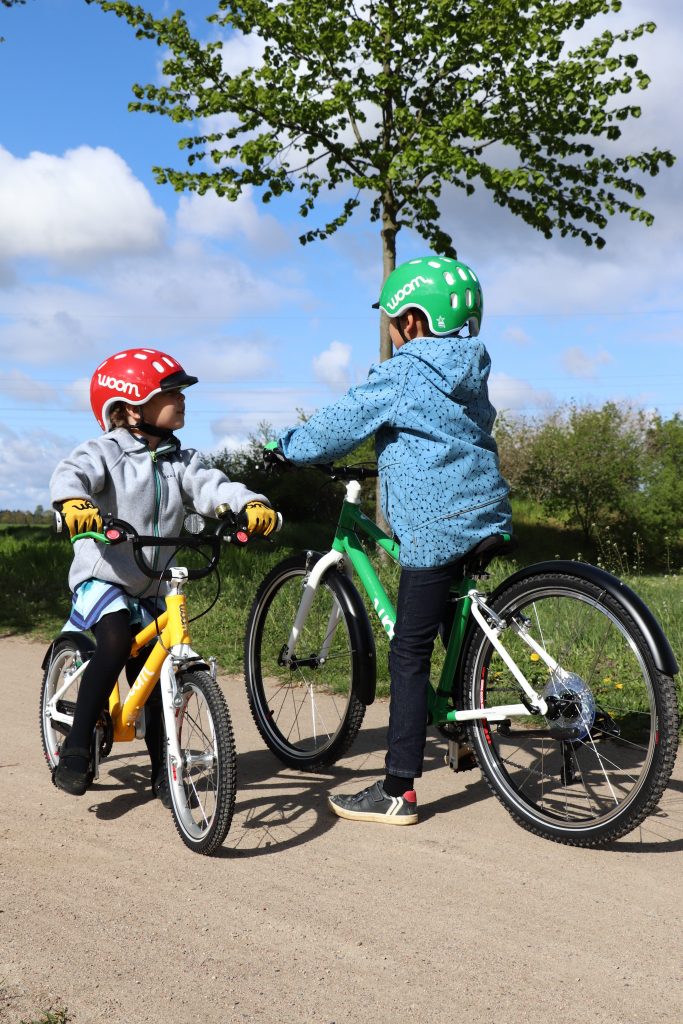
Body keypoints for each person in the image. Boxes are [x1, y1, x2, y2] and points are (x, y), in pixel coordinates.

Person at [273, 256, 512, 825]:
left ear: (411, 320)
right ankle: (463, 732)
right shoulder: (472, 368)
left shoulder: (405, 370)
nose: (387, 328)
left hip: (437, 522)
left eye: (389, 318)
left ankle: (397, 788)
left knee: (409, 649)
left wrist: (288, 446)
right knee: (457, 622)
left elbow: (339, 424)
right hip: (486, 510)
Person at [50, 347, 278, 801]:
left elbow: (214, 487)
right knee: (115, 642)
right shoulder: (106, 452)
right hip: (106, 577)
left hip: (155, 583)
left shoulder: (181, 460)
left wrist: (248, 504)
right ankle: (76, 747)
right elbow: (71, 474)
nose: (181, 398)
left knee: (154, 672)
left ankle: (163, 770)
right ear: (131, 407)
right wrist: (73, 503)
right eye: (170, 392)